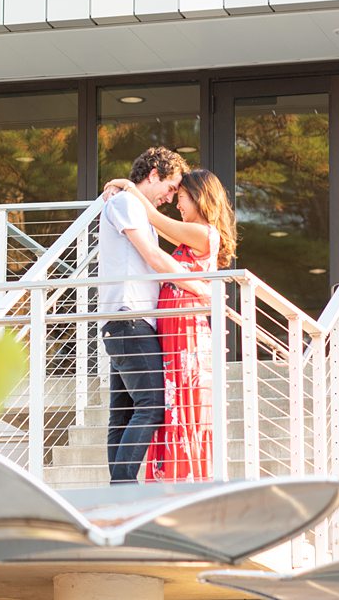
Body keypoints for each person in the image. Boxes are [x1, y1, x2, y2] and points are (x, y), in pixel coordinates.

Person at [103, 169, 237, 482]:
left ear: (200, 196)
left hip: (185, 327)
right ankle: (157, 478)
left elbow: (154, 219)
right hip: (170, 324)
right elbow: (152, 235)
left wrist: (126, 185)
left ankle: (180, 476)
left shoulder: (204, 234)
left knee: (177, 400)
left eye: (181, 197)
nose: (176, 204)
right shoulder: (187, 232)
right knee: (164, 402)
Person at [96, 146, 190, 484]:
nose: (169, 197)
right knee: (151, 404)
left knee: (122, 414)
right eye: (170, 187)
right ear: (153, 174)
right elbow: (152, 256)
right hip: (129, 319)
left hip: (124, 321)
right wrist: (200, 286)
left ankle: (119, 490)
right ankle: (123, 488)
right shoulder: (126, 204)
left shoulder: (131, 204)